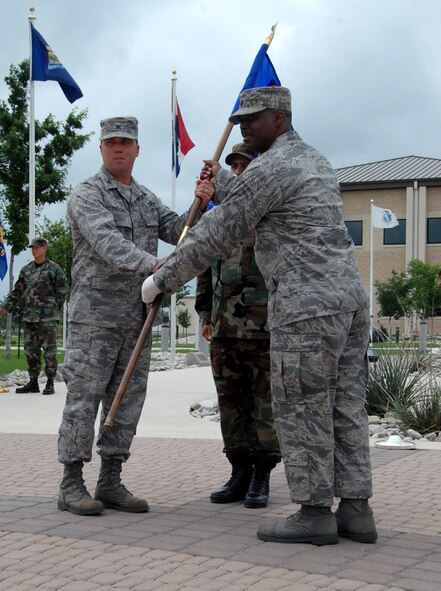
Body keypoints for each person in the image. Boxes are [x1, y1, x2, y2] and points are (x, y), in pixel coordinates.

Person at [142, 87, 377, 546]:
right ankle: (355, 509)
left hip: (306, 308)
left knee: (302, 408)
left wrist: (162, 280)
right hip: (348, 302)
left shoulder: (271, 167)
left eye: (254, 118)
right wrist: (226, 186)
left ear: (280, 118)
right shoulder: (314, 160)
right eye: (241, 119)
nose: (244, 126)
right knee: (345, 407)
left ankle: (313, 513)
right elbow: (261, 203)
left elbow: (217, 232)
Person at [57, 116, 210, 516]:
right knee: (84, 398)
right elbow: (107, 242)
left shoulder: (144, 198)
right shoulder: (87, 195)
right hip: (95, 318)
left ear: (138, 149)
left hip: (138, 317)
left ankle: (110, 480)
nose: (118, 148)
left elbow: (179, 229)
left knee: (126, 401)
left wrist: (202, 200)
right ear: (101, 148)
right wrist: (156, 266)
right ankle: (71, 482)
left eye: (126, 142)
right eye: (111, 142)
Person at [195, 143, 281, 509]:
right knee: (231, 403)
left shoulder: (271, 214)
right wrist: (203, 314)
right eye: (235, 166)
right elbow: (202, 264)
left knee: (265, 403)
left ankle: (262, 473)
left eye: (245, 165)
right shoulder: (219, 216)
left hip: (263, 328)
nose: (239, 171)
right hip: (225, 327)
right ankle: (239, 471)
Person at [0, 237, 69, 396]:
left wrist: (52, 308)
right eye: (32, 247)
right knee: (31, 351)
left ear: (45, 248)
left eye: (37, 247)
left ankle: (50, 382)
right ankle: (33, 382)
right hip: (29, 317)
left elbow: (63, 290)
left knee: (49, 351)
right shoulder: (26, 270)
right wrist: (5, 307)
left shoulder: (54, 269)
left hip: (48, 319)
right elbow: (17, 291)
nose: (34, 250)